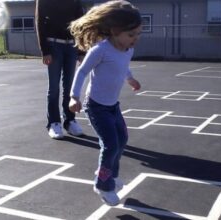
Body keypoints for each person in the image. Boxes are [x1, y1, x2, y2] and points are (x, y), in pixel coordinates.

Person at [68, 0, 142, 206]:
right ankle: (102, 184)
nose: (135, 39)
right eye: (131, 35)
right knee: (110, 145)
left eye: (138, 34)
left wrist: (130, 79)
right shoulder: (100, 50)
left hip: (113, 105)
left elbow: (124, 67)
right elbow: (82, 71)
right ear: (115, 31)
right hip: (96, 106)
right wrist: (74, 97)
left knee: (122, 139)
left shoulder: (127, 50)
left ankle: (111, 174)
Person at [35, 0, 84, 139]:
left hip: (71, 46)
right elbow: (39, 22)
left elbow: (81, 23)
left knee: (69, 87)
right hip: (53, 44)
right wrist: (45, 50)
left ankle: (69, 121)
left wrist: (81, 51)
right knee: (54, 88)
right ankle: (54, 123)